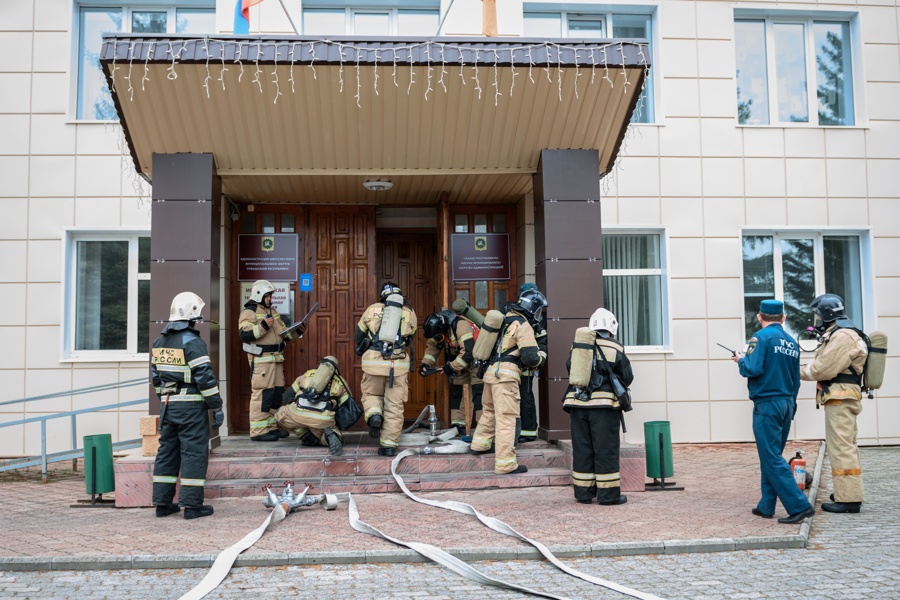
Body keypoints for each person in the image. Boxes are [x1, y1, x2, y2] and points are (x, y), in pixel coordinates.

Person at [733, 299, 814, 524]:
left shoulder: (760, 338)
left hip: (767, 404)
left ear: (760, 317)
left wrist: (741, 360)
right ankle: (766, 505)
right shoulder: (791, 342)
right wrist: (792, 406)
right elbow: (795, 379)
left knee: (771, 458)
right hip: (787, 403)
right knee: (772, 456)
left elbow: (752, 368)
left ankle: (799, 506)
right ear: (783, 318)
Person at [150, 291, 222, 520]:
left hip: (168, 407)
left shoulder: (158, 341)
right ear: (191, 317)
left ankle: (162, 504)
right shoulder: (193, 342)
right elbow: (205, 379)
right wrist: (216, 406)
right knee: (193, 453)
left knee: (167, 453)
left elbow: (156, 379)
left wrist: (166, 399)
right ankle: (192, 507)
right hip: (191, 409)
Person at [800, 293, 868, 514]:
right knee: (846, 444)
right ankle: (846, 491)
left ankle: (848, 500)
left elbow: (823, 368)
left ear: (828, 314)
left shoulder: (842, 336)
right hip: (842, 395)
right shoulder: (844, 333)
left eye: (819, 316)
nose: (818, 320)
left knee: (841, 447)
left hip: (840, 397)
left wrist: (796, 372)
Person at [562, 308, 633, 505]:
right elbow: (628, 377)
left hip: (577, 404)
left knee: (582, 447)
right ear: (611, 328)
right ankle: (608, 495)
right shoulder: (615, 348)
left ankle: (583, 493)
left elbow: (570, 368)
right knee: (605, 448)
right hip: (604, 407)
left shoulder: (577, 346)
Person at [469, 293, 544, 474]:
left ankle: (479, 445)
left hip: (490, 375)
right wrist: (541, 358)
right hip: (506, 378)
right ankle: (506, 464)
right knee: (506, 419)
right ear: (532, 308)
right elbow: (531, 357)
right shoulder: (523, 325)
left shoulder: (503, 321)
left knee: (489, 412)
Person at [354, 282, 418, 457]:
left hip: (373, 364)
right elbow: (411, 337)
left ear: (382, 296)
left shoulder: (372, 309)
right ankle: (388, 445)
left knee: (372, 395)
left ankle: (375, 415)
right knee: (394, 406)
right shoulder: (409, 313)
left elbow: (357, 336)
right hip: (397, 366)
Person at [239, 280, 302, 441]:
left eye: (271, 296)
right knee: (262, 395)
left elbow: (283, 333)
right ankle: (258, 431)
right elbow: (244, 335)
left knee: (275, 395)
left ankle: (271, 427)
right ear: (259, 295)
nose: (270, 299)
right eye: (268, 296)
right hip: (262, 361)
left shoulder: (272, 311)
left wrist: (298, 331)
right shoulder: (249, 312)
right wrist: (263, 326)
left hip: (276, 360)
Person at [418, 310, 484, 436]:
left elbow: (469, 353)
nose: (438, 338)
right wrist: (425, 364)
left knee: (478, 394)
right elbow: (432, 347)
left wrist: (451, 367)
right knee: (458, 393)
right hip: (460, 362)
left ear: (442, 328)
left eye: (438, 336)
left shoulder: (461, 326)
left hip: (476, 360)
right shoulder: (438, 331)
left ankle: (484, 427)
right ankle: (459, 425)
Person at [276, 356, 354, 456]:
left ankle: (306, 435)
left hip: (298, 413)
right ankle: (330, 436)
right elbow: (346, 406)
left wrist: (298, 407)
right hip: (323, 418)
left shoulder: (307, 374)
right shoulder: (340, 381)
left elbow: (287, 396)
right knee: (326, 432)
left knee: (280, 414)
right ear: (335, 368)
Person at [515, 285, 548, 443]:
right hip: (514, 367)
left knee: (526, 398)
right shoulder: (519, 319)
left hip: (527, 367)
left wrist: (537, 360)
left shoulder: (535, 324)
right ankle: (520, 430)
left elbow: (542, 343)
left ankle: (528, 431)